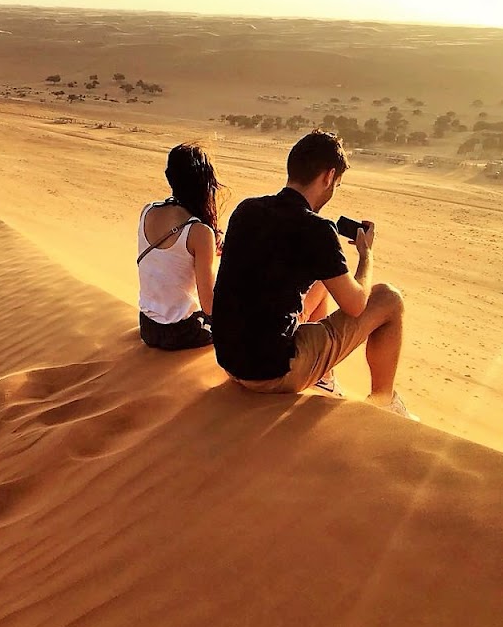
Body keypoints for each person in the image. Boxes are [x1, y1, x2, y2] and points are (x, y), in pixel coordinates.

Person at [211, 130, 414, 418]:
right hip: (271, 373)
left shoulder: (246, 210)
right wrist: (366, 254)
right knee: (389, 298)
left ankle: (325, 378)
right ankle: (384, 404)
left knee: (326, 276)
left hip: (231, 361)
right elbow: (357, 305)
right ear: (329, 177)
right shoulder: (317, 229)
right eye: (337, 184)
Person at [137, 143, 223, 351]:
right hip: (182, 332)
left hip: (147, 327)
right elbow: (209, 305)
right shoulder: (199, 232)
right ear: (206, 183)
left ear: (170, 177)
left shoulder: (147, 211)